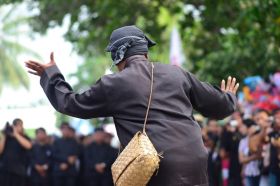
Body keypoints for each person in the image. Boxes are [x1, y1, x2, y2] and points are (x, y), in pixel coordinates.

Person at [25, 25, 239, 186]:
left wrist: (51, 74)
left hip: (155, 167)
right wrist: (229, 96)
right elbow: (219, 107)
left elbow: (70, 103)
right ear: (145, 51)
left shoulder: (113, 83)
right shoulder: (176, 73)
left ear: (118, 56)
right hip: (195, 164)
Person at [0, 118, 32, 186]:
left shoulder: (24, 137)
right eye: (16, 125)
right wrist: (4, 135)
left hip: (19, 172)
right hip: (5, 171)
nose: (18, 127)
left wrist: (16, 134)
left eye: (20, 125)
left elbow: (28, 146)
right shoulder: (6, 138)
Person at [238, 119, 262, 186]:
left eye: (242, 126)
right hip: (248, 172)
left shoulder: (259, 138)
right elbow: (241, 160)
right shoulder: (243, 141)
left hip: (261, 171)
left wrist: (247, 159)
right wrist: (255, 157)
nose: (241, 129)